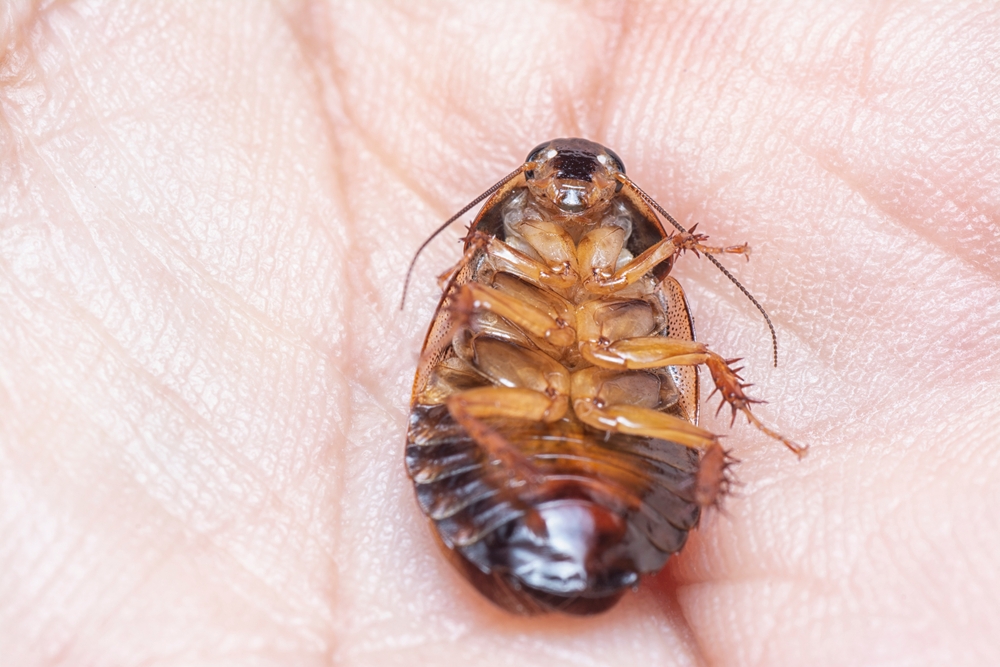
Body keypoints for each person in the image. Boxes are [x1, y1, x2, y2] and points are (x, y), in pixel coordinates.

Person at [2, 2, 997, 664]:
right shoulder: (493, 267)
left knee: (681, 372)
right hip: (506, 422)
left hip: (587, 442)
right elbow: (461, 323)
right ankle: (543, 472)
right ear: (500, 224)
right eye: (550, 187)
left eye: (593, 188)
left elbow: (672, 316)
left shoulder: (638, 262)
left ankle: (669, 480)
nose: (571, 194)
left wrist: (696, 279)